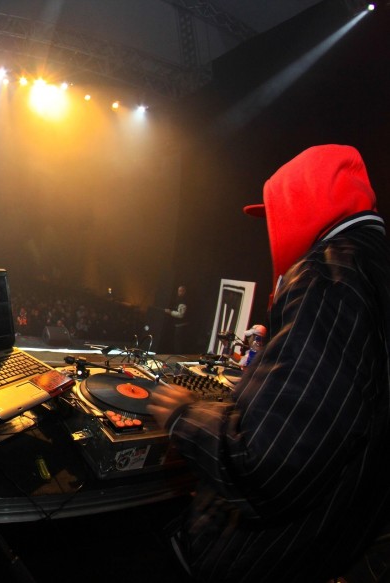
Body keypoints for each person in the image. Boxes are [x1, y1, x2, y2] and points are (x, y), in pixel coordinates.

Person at [148, 145, 390, 582]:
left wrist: (185, 415)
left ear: (300, 202)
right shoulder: (376, 270)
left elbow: (264, 465)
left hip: (251, 564)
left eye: (274, 214)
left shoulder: (328, 277)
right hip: (323, 550)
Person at [163, 285, 190, 354]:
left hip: (181, 326)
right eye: (178, 291)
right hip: (179, 325)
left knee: (179, 343)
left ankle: (178, 356)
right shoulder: (180, 300)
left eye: (180, 291)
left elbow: (181, 315)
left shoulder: (183, 301)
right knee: (177, 342)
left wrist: (170, 312)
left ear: (184, 292)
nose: (179, 292)